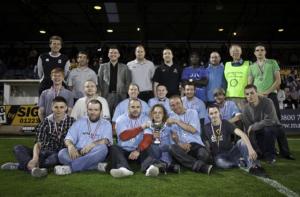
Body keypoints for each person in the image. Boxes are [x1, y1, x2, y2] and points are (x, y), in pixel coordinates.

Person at [1, 96, 75, 177]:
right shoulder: (45, 122)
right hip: (42, 151)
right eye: (56, 107)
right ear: (52, 108)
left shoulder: (72, 122)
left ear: (66, 108)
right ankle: (34, 167)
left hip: (56, 153)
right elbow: (38, 143)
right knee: (17, 148)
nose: (59, 110)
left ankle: (20, 165)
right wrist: (35, 158)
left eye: (61, 107)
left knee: (53, 160)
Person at [204, 105, 266, 176]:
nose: (214, 115)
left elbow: (242, 134)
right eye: (211, 114)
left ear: (219, 113)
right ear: (208, 115)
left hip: (232, 151)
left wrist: (250, 149)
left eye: (215, 112)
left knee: (242, 142)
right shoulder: (206, 128)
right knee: (220, 163)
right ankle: (239, 162)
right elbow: (207, 146)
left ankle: (254, 166)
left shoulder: (225, 123)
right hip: (219, 156)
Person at [55, 99, 113, 175]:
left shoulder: (106, 123)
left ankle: (71, 168)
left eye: (96, 110)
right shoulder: (79, 122)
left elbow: (106, 141)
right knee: (62, 153)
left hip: (94, 151)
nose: (93, 112)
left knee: (103, 148)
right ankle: (96, 165)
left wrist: (92, 144)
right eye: (90, 109)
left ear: (101, 111)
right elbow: (68, 138)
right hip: (78, 151)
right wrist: (70, 146)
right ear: (87, 111)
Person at [242, 85, 294, 164]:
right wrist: (254, 149)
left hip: (275, 126)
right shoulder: (245, 109)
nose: (250, 96)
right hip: (259, 130)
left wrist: (253, 126)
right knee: (260, 152)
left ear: (257, 93)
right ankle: (264, 151)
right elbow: (248, 129)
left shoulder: (268, 102)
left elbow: (270, 120)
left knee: (268, 129)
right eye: (247, 94)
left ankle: (270, 156)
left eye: (252, 93)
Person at [108, 99, 153, 178]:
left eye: (138, 107)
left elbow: (148, 137)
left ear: (141, 109)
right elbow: (124, 136)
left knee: (148, 146)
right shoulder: (120, 119)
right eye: (133, 107)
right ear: (128, 108)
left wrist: (138, 150)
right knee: (113, 148)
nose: (135, 109)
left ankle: (149, 169)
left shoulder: (146, 119)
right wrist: (141, 127)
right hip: (124, 151)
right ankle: (124, 169)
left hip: (139, 151)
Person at [168, 96, 213, 175]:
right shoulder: (169, 116)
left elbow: (192, 130)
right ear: (170, 107)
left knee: (203, 154)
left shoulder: (192, 112)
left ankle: (187, 163)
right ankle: (201, 167)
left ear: (182, 103)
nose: (176, 106)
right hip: (182, 147)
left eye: (178, 103)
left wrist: (176, 121)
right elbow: (173, 136)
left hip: (195, 145)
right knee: (172, 148)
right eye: (172, 105)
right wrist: (179, 144)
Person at [248, 43, 281, 118]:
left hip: (271, 94)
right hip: (257, 96)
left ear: (265, 52)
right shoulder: (251, 66)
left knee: (276, 117)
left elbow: (278, 80)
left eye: (262, 50)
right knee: (259, 118)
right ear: (254, 53)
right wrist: (257, 94)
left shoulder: (273, 62)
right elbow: (250, 84)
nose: (260, 52)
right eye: (257, 50)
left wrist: (267, 92)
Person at [98, 46, 132, 115]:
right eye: (111, 53)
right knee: (106, 115)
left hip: (120, 95)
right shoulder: (102, 66)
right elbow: (99, 81)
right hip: (106, 95)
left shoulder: (124, 67)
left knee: (120, 115)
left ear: (119, 55)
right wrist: (102, 92)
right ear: (108, 54)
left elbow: (128, 82)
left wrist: (124, 92)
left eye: (115, 53)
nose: (113, 54)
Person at [224, 44, 250, 110]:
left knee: (244, 118)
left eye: (237, 50)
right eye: (233, 51)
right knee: (231, 118)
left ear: (241, 52)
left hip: (243, 97)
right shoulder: (227, 65)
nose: (235, 52)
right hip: (229, 97)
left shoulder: (248, 64)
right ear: (230, 53)